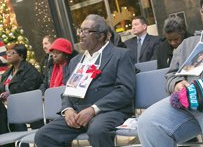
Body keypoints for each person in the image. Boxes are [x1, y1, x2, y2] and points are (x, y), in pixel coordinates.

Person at [137, 0, 203, 147]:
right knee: (148, 122)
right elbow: (171, 75)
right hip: (187, 99)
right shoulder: (189, 43)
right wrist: (176, 84)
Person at [35, 14, 135, 147]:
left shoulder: (120, 55)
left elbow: (125, 90)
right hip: (77, 113)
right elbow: (67, 91)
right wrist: (68, 110)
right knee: (43, 135)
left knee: (97, 131)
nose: (81, 35)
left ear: (100, 35)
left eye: (86, 31)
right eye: (80, 30)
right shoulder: (76, 61)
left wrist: (93, 109)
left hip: (108, 111)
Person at [0, 44, 42, 147]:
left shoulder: (30, 70)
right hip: (13, 108)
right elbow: (2, 86)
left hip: (29, 107)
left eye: (12, 53)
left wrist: (11, 93)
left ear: (21, 56)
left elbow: (28, 86)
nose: (8, 55)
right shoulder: (8, 72)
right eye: (7, 53)